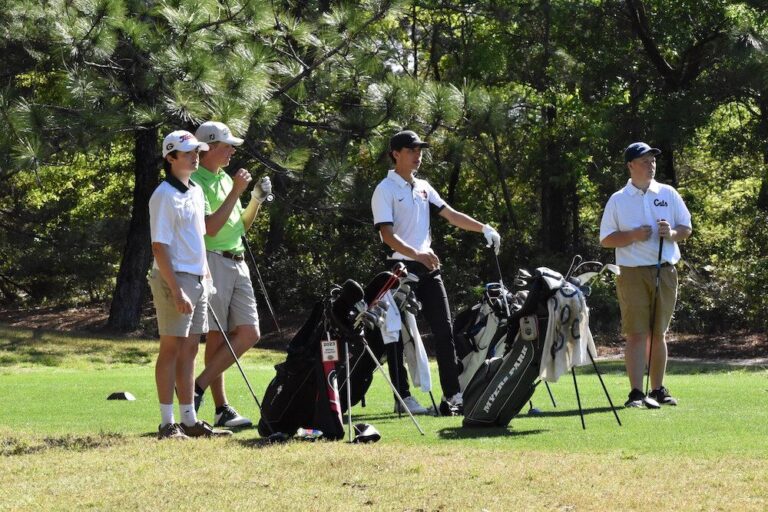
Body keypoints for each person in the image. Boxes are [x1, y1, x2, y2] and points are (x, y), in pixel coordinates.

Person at [371, 130, 501, 415]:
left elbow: (451, 214)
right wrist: (417, 254)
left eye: (420, 150)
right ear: (396, 153)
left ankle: (453, 397)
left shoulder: (423, 187)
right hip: (399, 269)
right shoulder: (385, 188)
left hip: (428, 267)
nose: (418, 155)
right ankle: (402, 397)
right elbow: (387, 235)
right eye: (411, 150)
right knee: (397, 334)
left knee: (444, 330)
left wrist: (484, 228)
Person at [148, 130, 232, 439]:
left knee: (190, 351)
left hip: (197, 277)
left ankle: (189, 420)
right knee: (171, 348)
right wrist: (177, 288)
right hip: (174, 276)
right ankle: (166, 422)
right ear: (170, 158)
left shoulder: (196, 190)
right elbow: (160, 247)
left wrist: (205, 276)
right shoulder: (163, 195)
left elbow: (198, 237)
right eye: (187, 153)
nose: (195, 156)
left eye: (197, 151)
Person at [190, 121, 272, 428]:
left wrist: (254, 200)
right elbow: (210, 227)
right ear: (208, 147)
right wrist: (237, 190)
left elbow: (239, 225)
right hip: (213, 260)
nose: (232, 150)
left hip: (237, 262)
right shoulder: (195, 181)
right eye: (227, 145)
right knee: (216, 335)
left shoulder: (225, 179)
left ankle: (196, 387)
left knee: (249, 333)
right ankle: (222, 408)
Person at [599, 142, 692, 408]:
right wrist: (633, 236)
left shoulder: (668, 193)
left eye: (652, 160)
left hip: (665, 270)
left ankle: (658, 389)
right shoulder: (618, 199)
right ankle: (636, 393)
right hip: (631, 272)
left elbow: (685, 228)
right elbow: (606, 239)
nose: (651, 164)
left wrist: (671, 234)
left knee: (658, 333)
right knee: (637, 333)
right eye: (644, 161)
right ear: (630, 165)